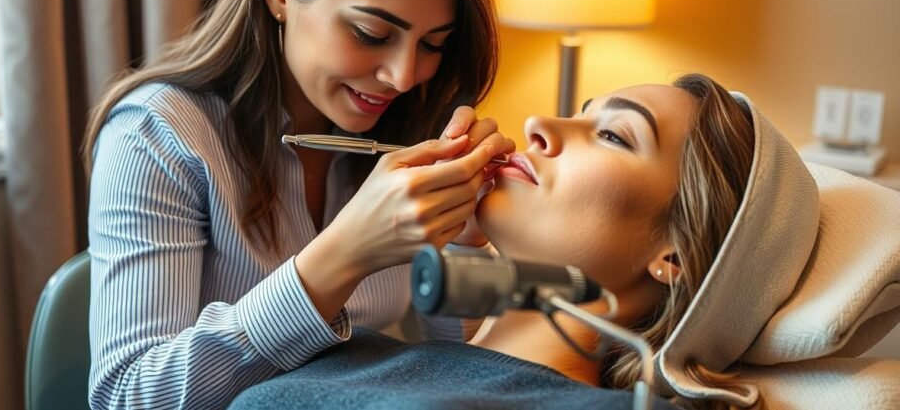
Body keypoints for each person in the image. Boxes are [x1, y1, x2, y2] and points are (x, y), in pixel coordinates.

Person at [84, 0, 515, 410]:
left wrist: (468, 238)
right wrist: (343, 255)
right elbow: (128, 397)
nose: (405, 75)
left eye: (432, 44)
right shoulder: (157, 137)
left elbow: (479, 364)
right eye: (371, 32)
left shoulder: (412, 130)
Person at [229, 73, 812, 410]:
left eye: (612, 134)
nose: (537, 124)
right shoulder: (370, 350)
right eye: (583, 113)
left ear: (676, 256)